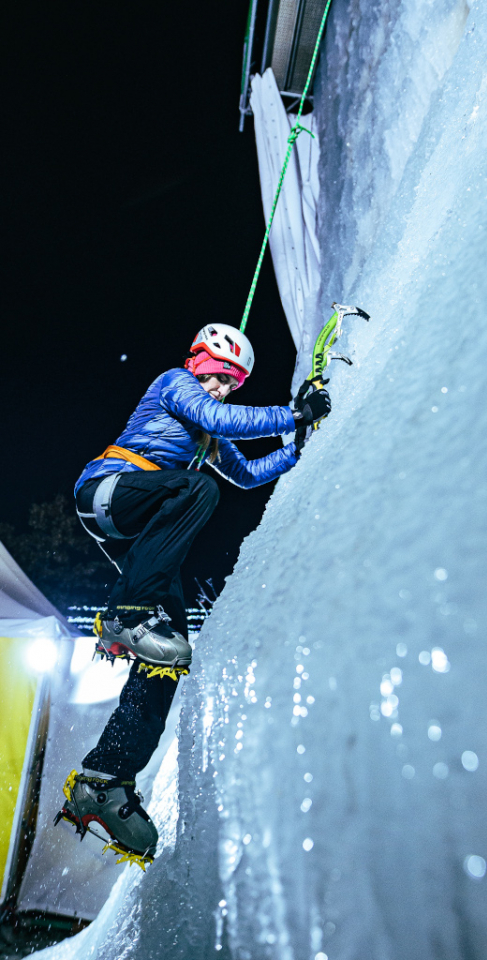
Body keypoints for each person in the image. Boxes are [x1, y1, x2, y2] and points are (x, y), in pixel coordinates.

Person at [55, 323, 331, 867]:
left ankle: (106, 778)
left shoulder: (207, 430)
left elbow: (248, 475)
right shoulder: (175, 384)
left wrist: (298, 445)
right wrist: (292, 413)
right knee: (197, 487)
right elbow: (222, 418)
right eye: (224, 376)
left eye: (234, 384)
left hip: (139, 529)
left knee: (172, 651)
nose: (226, 389)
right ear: (202, 360)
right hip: (110, 490)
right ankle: (123, 617)